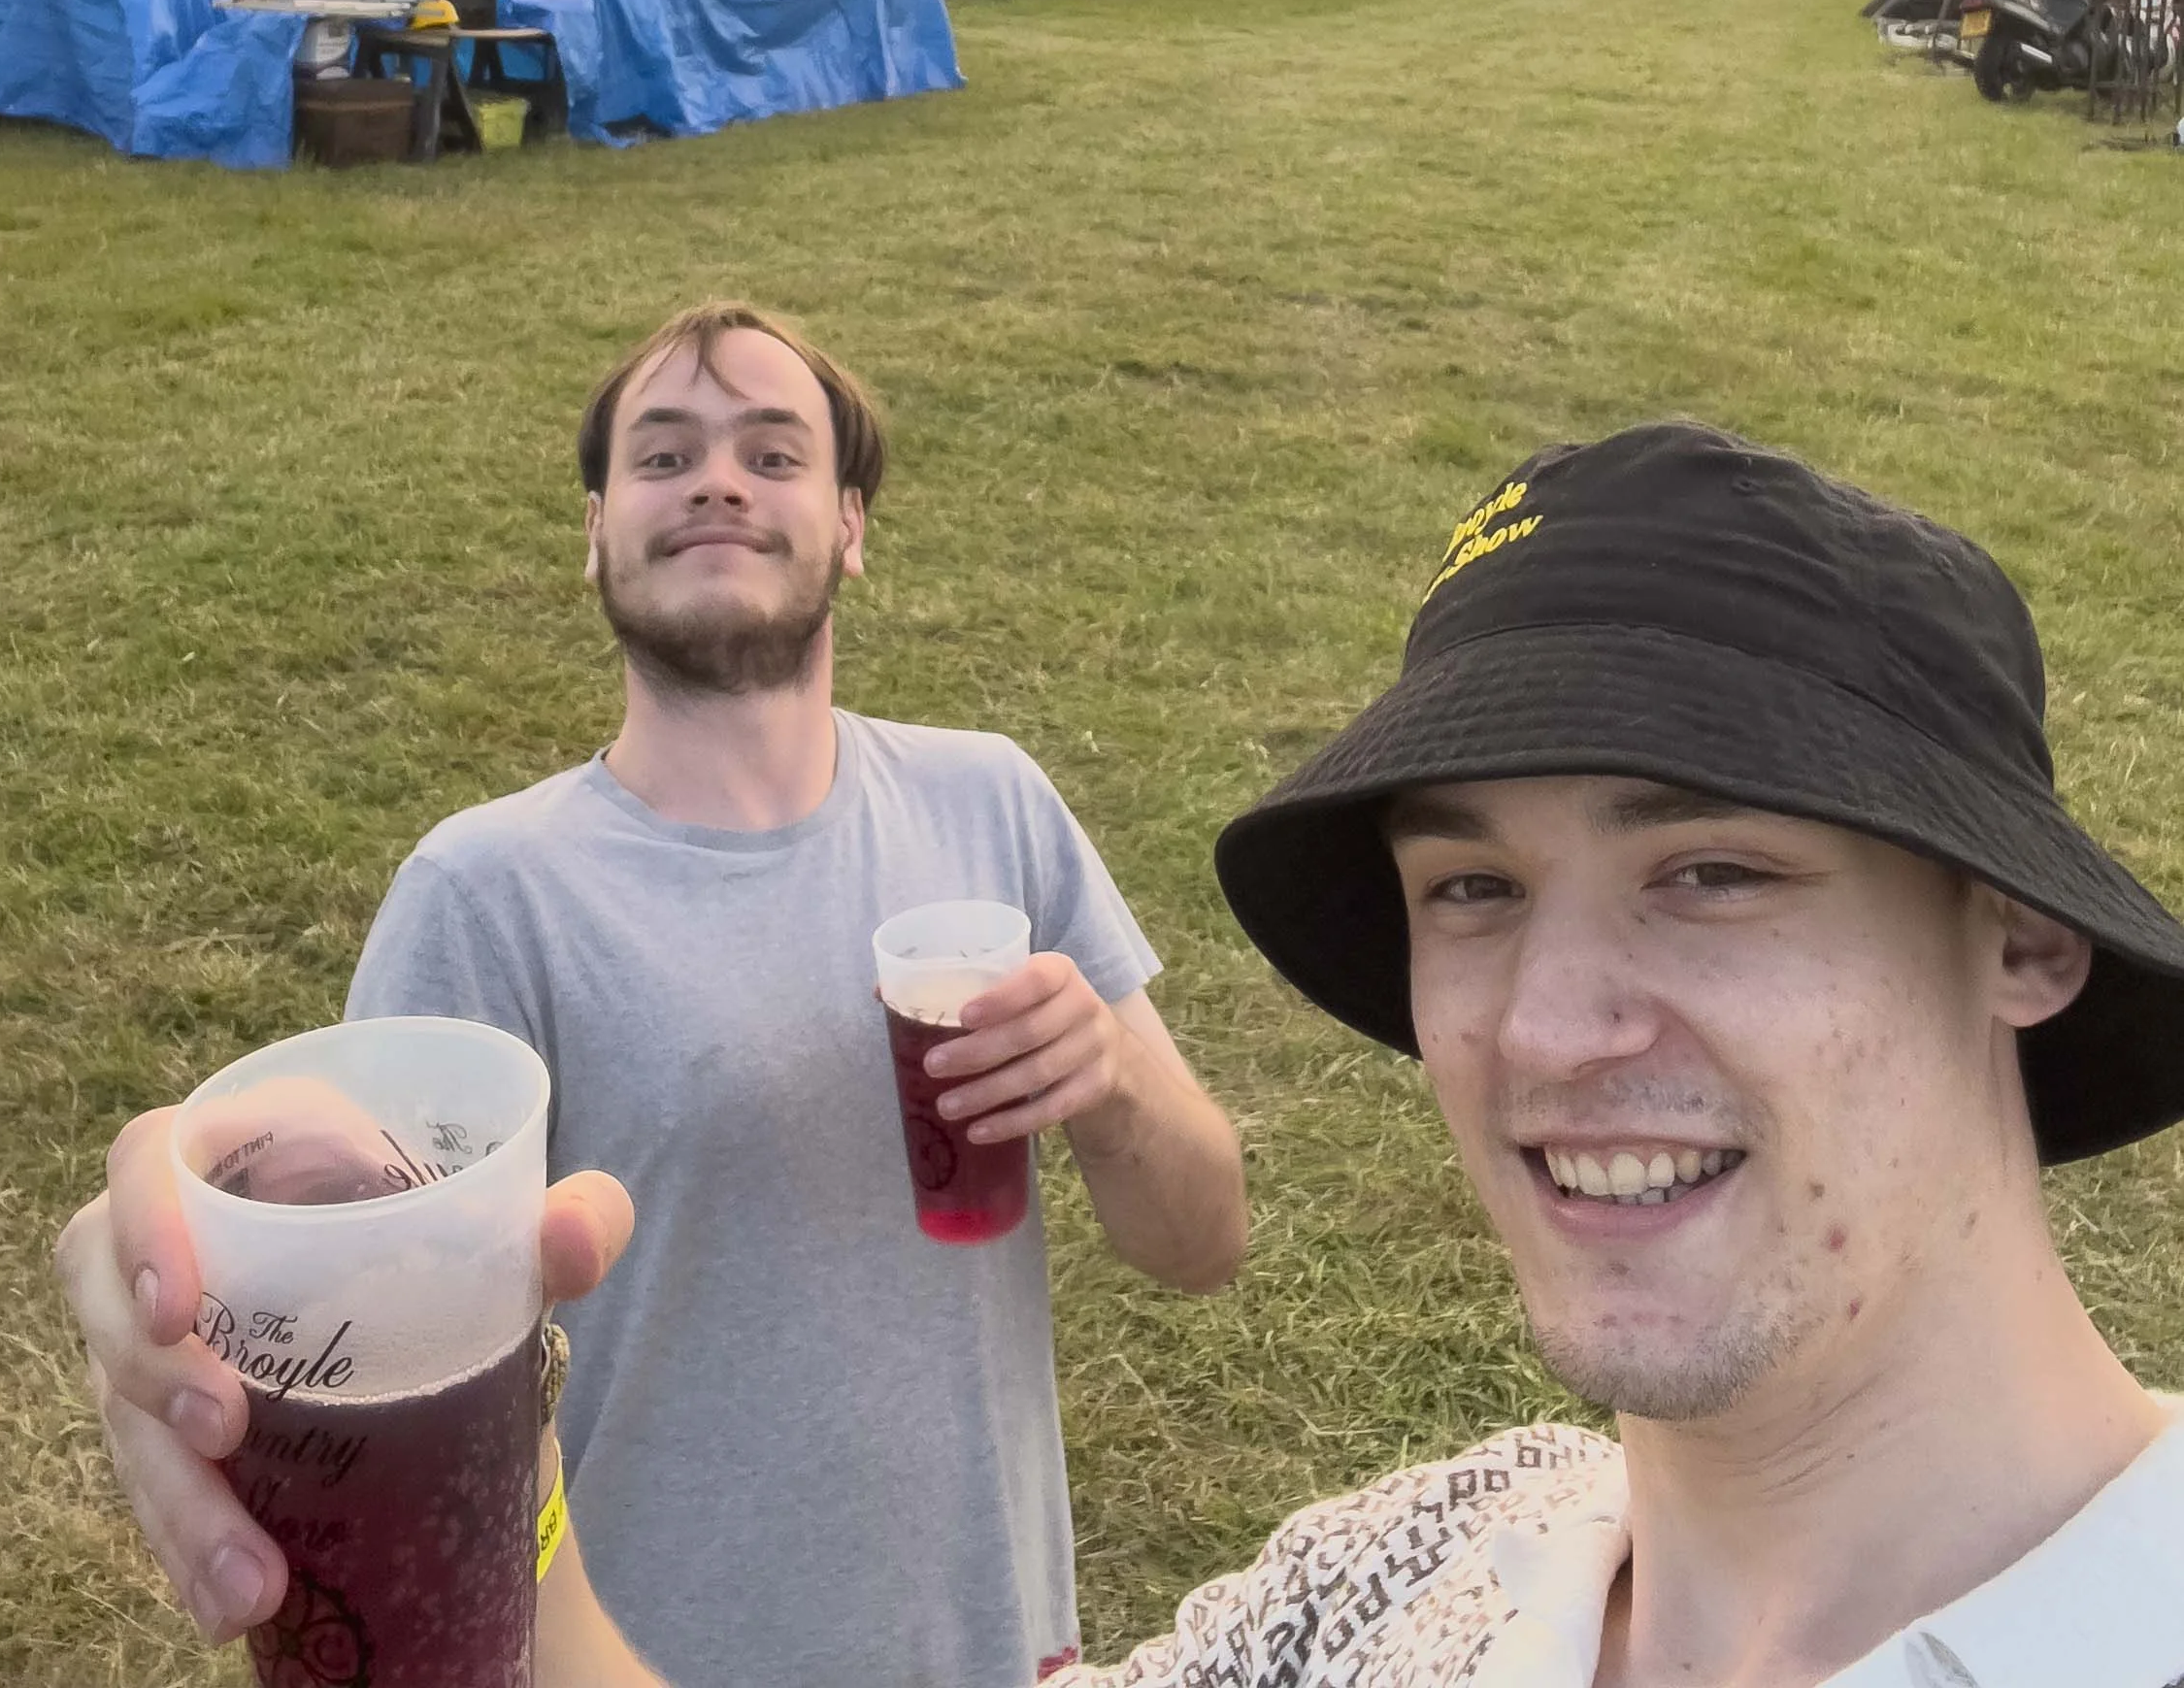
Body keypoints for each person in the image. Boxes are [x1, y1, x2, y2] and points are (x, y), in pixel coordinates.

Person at [526, 419, 2184, 1682]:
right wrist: (467, 1456)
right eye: (1473, 887)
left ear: (2020, 935)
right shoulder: (1409, 1575)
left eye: (1712, 874)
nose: (1543, 1027)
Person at [59, 303, 1246, 1688]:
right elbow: (343, 1314)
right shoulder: (487, 894)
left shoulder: (993, 804)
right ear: (596, 533)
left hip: (995, 1647)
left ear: (851, 526)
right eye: (665, 456)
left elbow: (1203, 1243)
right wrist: (196, 1272)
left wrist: (1109, 1082)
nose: (719, 483)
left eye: (773, 454)